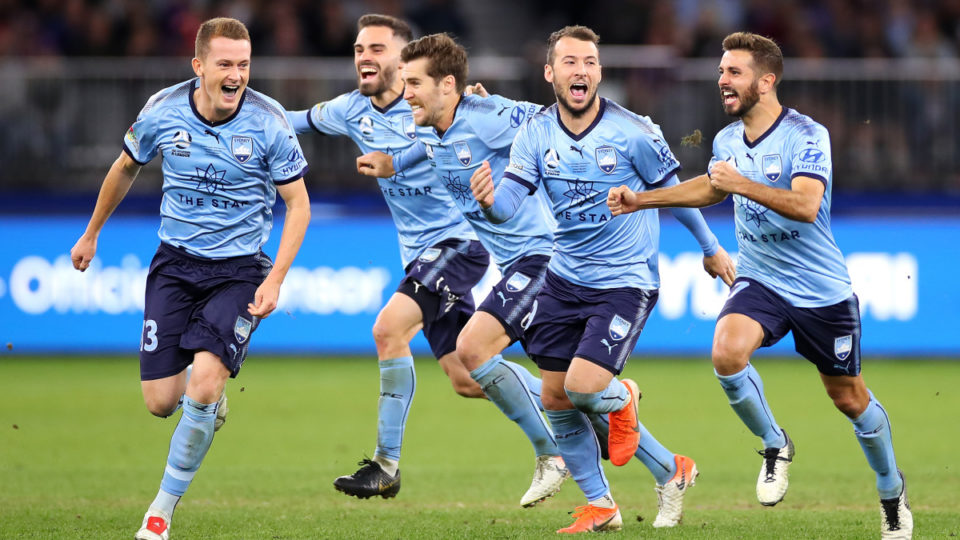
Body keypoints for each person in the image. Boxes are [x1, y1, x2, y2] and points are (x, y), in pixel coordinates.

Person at [607, 32, 912, 540]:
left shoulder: (807, 135)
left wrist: (740, 185)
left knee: (849, 398)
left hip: (820, 289)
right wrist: (643, 200)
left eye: (734, 72)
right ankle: (775, 445)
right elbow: (710, 185)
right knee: (727, 353)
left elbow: (805, 205)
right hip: (761, 276)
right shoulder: (727, 139)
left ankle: (891, 492)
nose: (722, 80)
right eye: (722, 71)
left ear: (766, 81)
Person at [285, 15, 566, 506]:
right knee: (465, 376)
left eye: (377, 48)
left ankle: (386, 465)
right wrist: (237, 105)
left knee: (388, 328)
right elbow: (294, 120)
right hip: (419, 255)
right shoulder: (351, 109)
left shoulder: (440, 105)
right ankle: (577, 399)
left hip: (459, 244)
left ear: (404, 58)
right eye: (357, 49)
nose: (364, 57)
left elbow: (506, 127)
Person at [471, 25, 736, 533]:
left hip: (625, 280)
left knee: (586, 387)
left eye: (589, 62)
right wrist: (488, 201)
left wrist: (711, 248)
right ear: (550, 73)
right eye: (570, 62)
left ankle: (625, 399)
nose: (581, 71)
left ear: (599, 72)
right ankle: (626, 493)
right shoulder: (535, 134)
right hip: (564, 278)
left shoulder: (633, 130)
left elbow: (675, 192)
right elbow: (508, 204)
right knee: (555, 397)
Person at [69, 17, 311, 540]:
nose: (236, 75)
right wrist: (91, 234)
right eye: (225, 64)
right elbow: (125, 167)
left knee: (202, 383)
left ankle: (160, 512)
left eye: (244, 64)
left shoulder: (269, 123)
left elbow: (299, 206)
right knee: (161, 403)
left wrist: (276, 280)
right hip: (175, 265)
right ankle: (209, 404)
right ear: (198, 66)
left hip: (240, 271)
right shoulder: (163, 110)